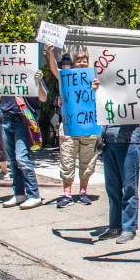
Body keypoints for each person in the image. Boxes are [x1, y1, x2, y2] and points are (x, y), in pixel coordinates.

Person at [0, 69, 48, 209]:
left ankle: (34, 195)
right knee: (13, 160)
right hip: (7, 119)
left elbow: (43, 98)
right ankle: (19, 194)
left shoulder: (33, 74)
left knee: (21, 158)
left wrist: (39, 81)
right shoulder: (6, 77)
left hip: (23, 121)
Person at [42, 45, 100, 208]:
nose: (81, 63)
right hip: (70, 127)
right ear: (74, 63)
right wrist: (51, 53)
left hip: (89, 127)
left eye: (84, 61)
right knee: (67, 160)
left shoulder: (94, 79)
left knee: (87, 162)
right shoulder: (66, 77)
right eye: (78, 61)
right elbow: (55, 69)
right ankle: (67, 194)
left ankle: (83, 192)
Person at [91, 79, 140, 244]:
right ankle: (114, 226)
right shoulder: (104, 86)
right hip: (108, 141)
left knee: (129, 188)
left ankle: (128, 228)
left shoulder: (135, 85)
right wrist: (96, 90)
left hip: (128, 141)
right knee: (112, 188)